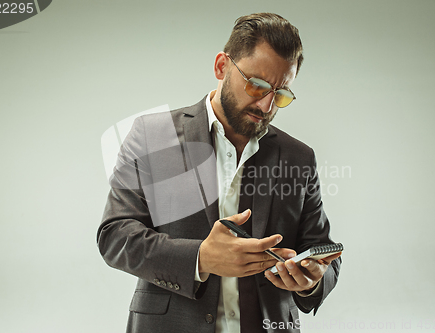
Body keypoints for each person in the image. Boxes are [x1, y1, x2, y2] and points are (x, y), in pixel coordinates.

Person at [97, 12, 341, 333]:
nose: (267, 106)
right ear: (222, 67)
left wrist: (311, 280)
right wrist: (200, 258)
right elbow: (115, 235)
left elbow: (323, 251)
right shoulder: (152, 136)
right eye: (257, 86)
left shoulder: (299, 156)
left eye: (280, 94)